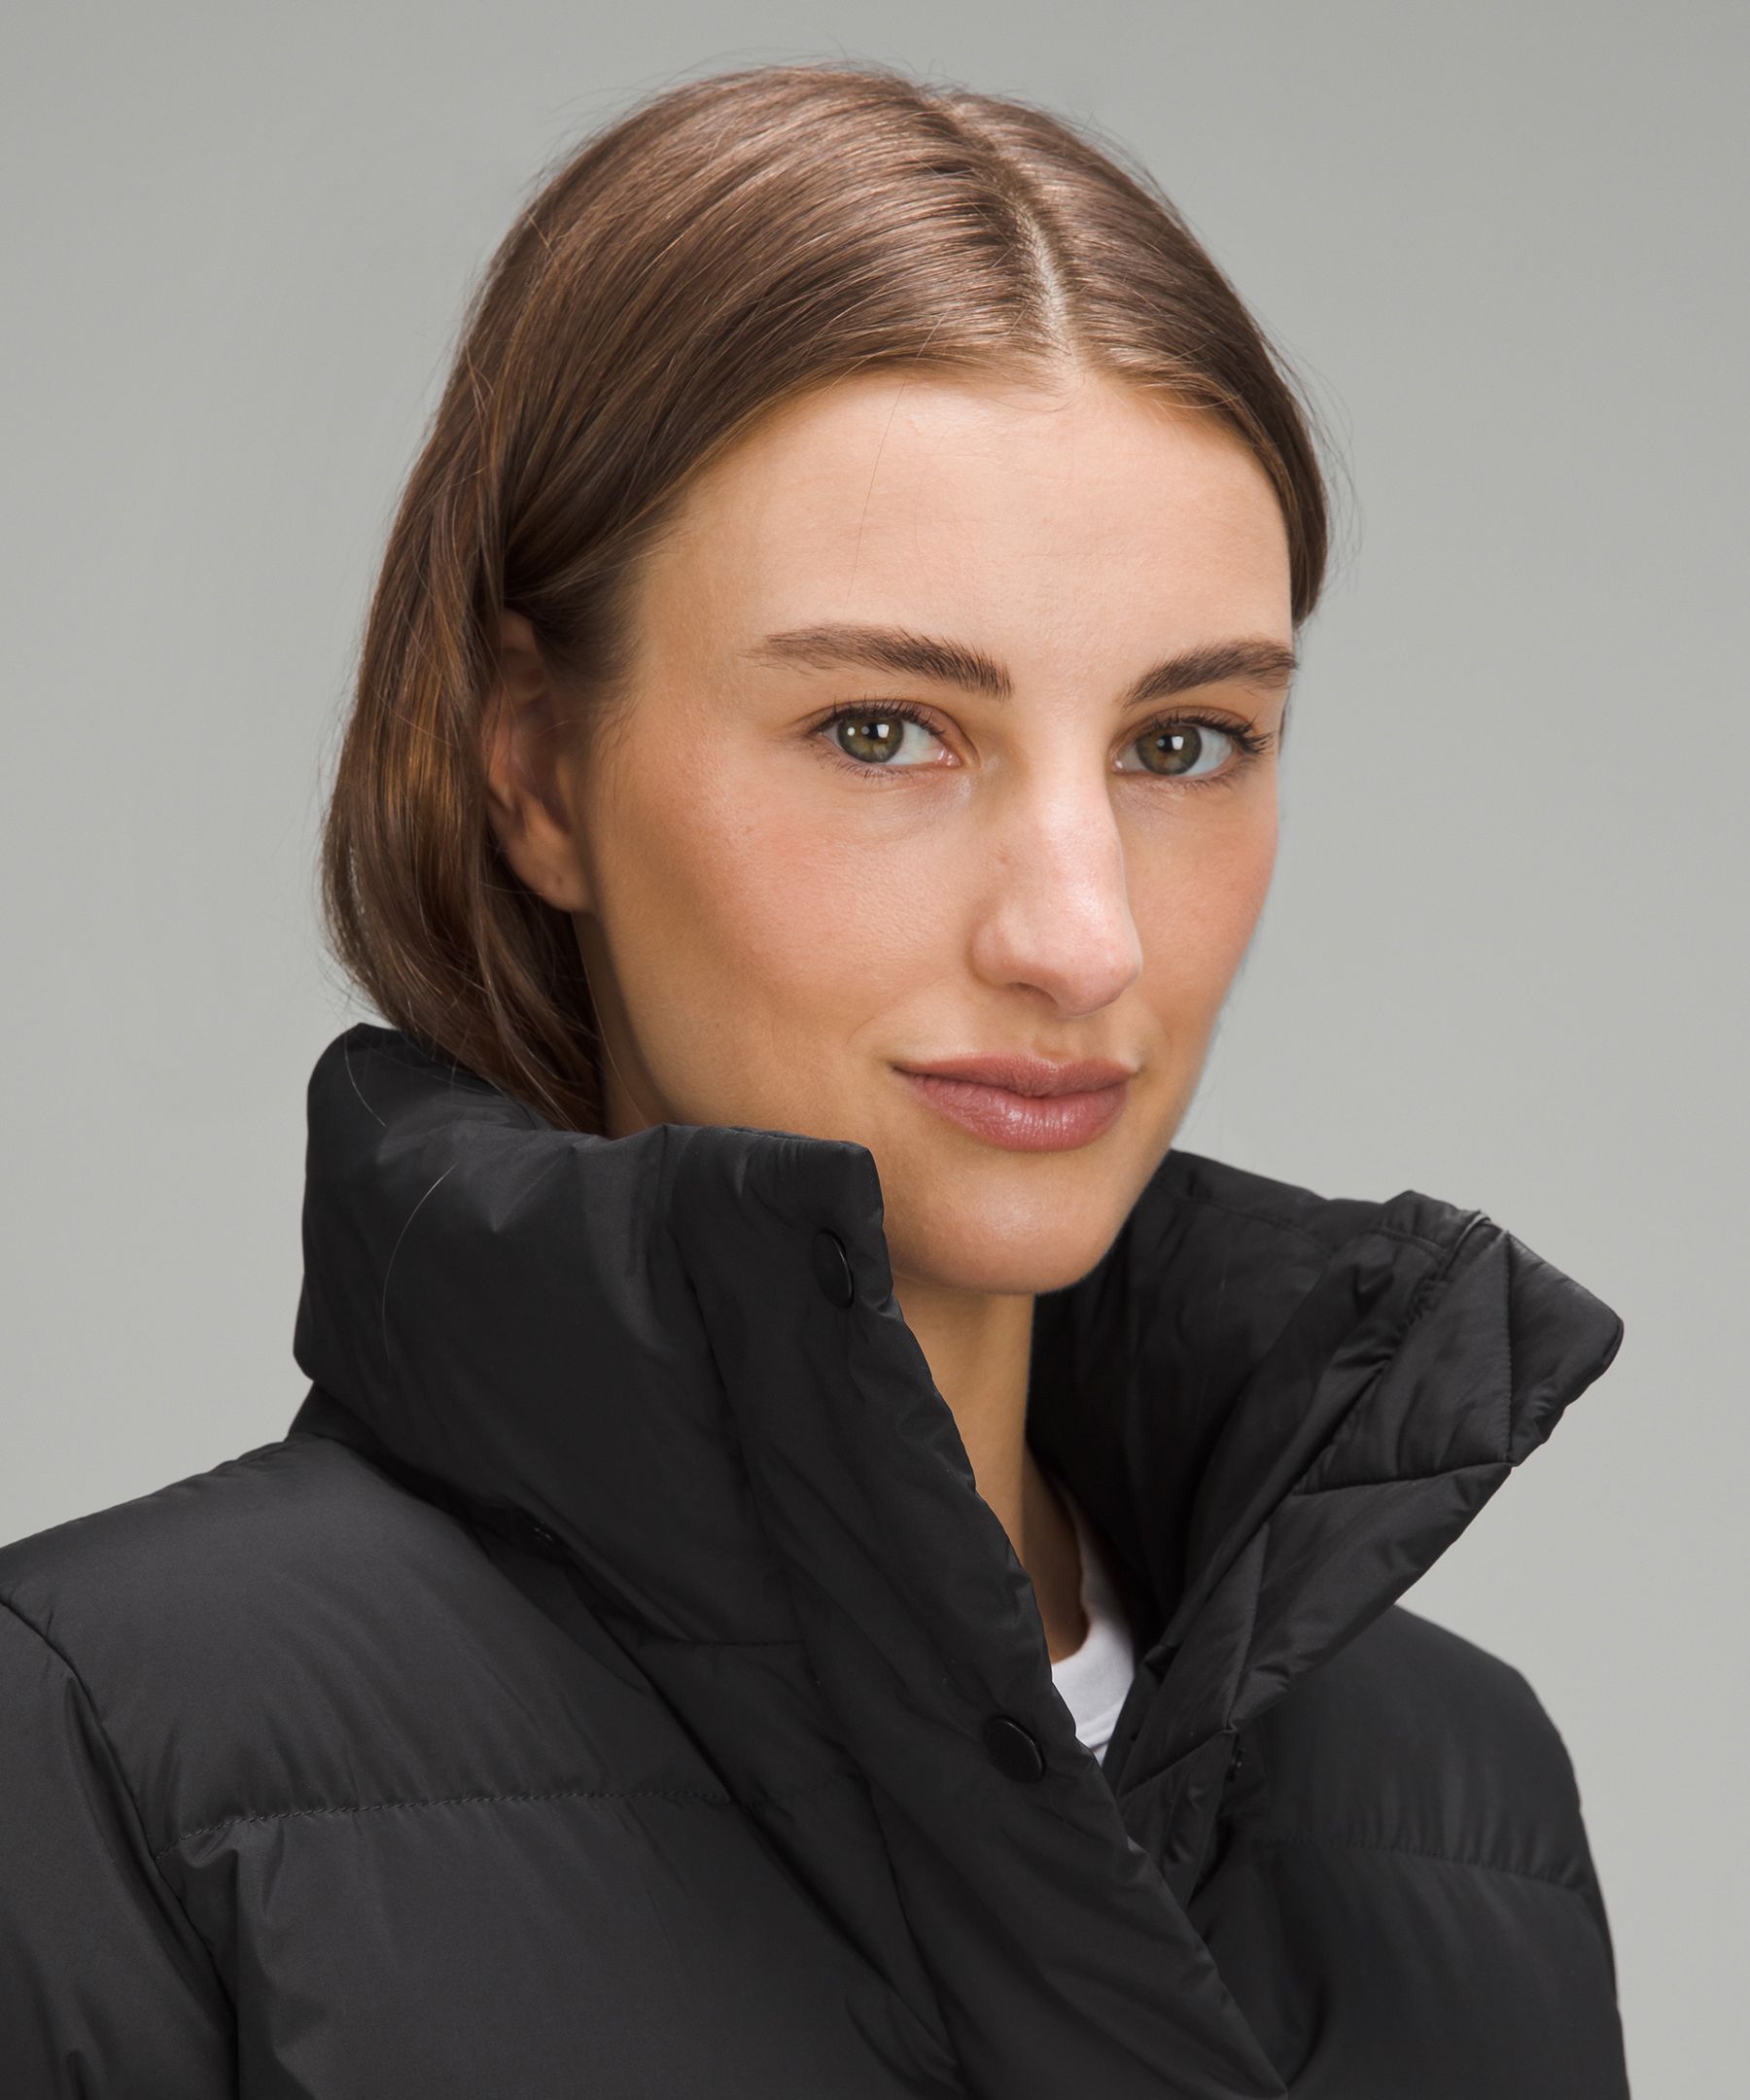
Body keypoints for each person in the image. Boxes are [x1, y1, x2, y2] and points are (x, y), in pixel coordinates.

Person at [0, 58, 1629, 2098]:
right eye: (882, 730)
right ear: (535, 770)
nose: (1083, 937)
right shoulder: (114, 1749)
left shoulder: (1461, 1803)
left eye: (1184, 742)